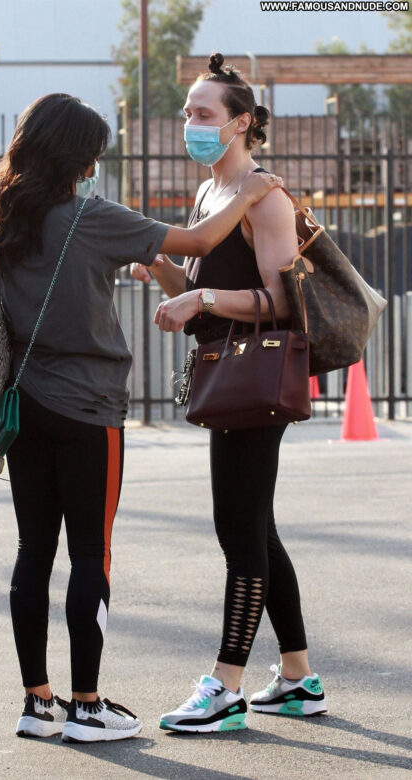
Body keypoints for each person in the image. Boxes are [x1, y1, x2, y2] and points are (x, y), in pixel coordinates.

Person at [0, 92, 281, 743]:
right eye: (92, 154)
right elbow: (200, 239)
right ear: (78, 158)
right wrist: (251, 193)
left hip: (23, 406)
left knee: (33, 551)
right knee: (91, 551)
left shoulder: (4, 219)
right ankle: (88, 708)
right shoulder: (91, 216)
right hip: (89, 408)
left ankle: (37, 704)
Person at [131, 53, 327, 733]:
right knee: (256, 530)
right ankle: (299, 680)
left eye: (203, 113)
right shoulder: (210, 194)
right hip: (227, 371)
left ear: (241, 122)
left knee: (237, 532)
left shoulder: (263, 195)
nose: (190, 122)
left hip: (257, 377)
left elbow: (282, 298)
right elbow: (197, 299)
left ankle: (225, 688)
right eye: (188, 111)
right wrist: (164, 271)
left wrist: (204, 297)